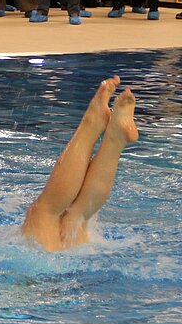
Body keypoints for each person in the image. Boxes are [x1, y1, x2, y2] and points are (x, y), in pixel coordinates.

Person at [22, 77, 139, 251]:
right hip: (40, 268)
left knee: (67, 216)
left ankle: (115, 139)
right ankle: (97, 125)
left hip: (51, 268)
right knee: (58, 213)